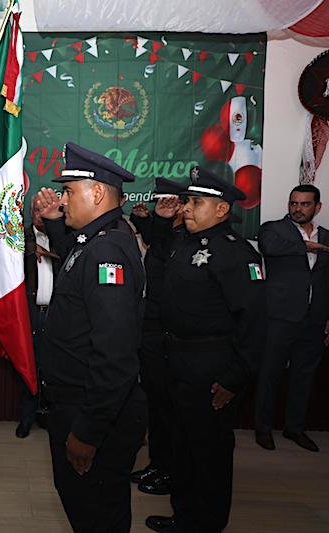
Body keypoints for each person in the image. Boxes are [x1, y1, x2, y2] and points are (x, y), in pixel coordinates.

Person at [32, 143, 146, 533]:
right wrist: (51, 222)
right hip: (80, 401)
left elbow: (114, 354)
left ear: (96, 193)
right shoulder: (98, 241)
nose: (62, 201)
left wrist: (87, 431)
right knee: (89, 508)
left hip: (90, 409)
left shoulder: (106, 251)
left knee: (95, 511)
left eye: (68, 192)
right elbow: (73, 261)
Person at [146, 167, 266, 533]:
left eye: (196, 202)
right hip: (178, 361)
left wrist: (234, 378)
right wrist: (163, 222)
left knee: (209, 453)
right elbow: (158, 255)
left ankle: (207, 524)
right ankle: (184, 517)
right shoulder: (186, 243)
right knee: (182, 447)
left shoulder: (236, 254)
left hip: (212, 368)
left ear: (222, 210)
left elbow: (255, 322)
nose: (187, 208)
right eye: (188, 201)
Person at [254, 184, 329, 453]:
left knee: (303, 376)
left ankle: (295, 428)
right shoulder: (273, 229)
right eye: (293, 203)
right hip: (279, 316)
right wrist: (305, 246)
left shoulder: (327, 237)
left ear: (317, 207)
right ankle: (262, 428)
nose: (298, 209)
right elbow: (269, 247)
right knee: (270, 373)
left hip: (314, 319)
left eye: (305, 204)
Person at [127, 179, 186, 496]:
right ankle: (158, 463)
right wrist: (153, 221)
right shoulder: (168, 235)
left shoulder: (187, 239)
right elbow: (157, 243)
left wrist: (157, 222)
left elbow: (162, 246)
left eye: (175, 202)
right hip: (151, 329)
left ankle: (170, 470)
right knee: (156, 406)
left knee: (170, 409)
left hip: (169, 334)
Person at [16, 207, 60, 439]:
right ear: (31, 214)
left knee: (53, 368)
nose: (42, 217)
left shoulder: (62, 236)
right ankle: (26, 418)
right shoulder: (20, 238)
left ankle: (49, 416)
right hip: (30, 313)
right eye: (38, 213)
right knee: (29, 367)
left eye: (47, 213)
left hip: (57, 314)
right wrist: (31, 250)